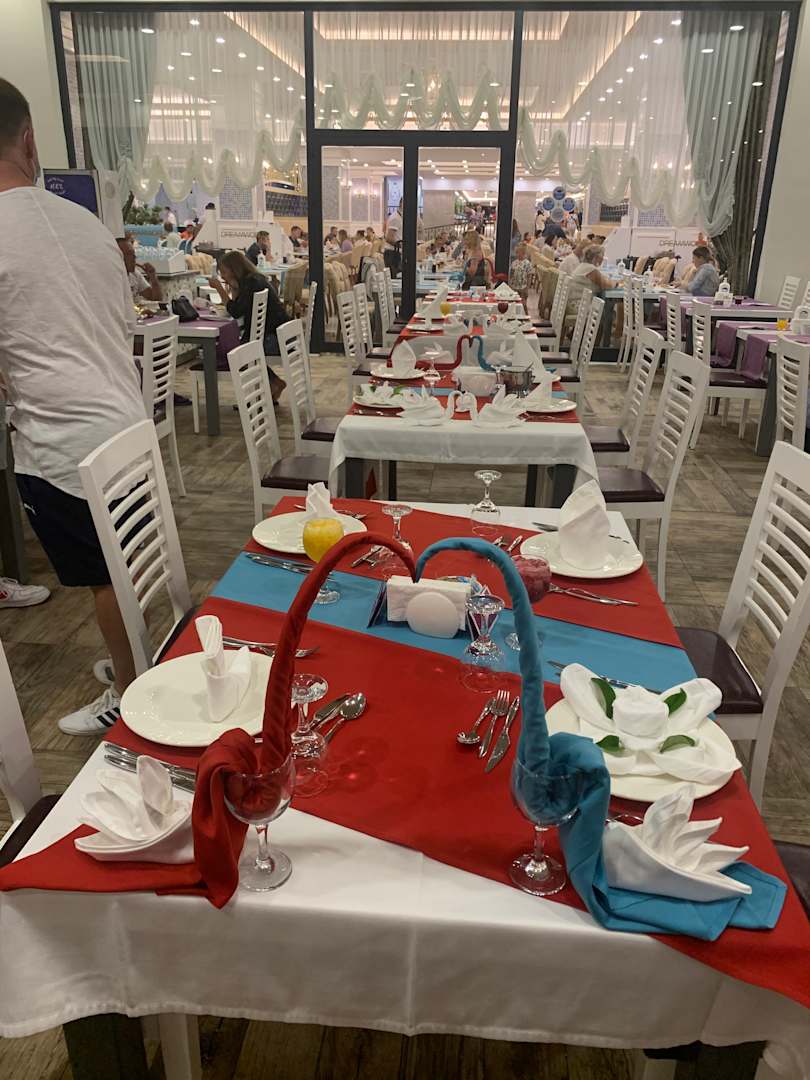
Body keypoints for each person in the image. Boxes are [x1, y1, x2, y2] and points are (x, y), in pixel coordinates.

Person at [0, 78, 149, 734]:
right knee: (132, 565)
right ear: (29, 139)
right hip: (127, 422)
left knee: (104, 576)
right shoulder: (85, 223)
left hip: (61, 443)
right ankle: (133, 663)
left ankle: (132, 692)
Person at [207, 251, 287, 402]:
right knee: (243, 347)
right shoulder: (254, 279)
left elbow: (235, 311)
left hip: (273, 340)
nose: (223, 276)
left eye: (224, 272)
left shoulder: (251, 283)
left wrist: (220, 289)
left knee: (237, 352)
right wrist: (233, 288)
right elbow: (239, 308)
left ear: (234, 269)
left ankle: (263, 391)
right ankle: (274, 383)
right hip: (280, 334)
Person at [116, 236, 163, 302]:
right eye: (129, 254)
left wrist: (153, 277)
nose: (134, 257)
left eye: (133, 253)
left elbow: (156, 298)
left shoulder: (135, 274)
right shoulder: (112, 278)